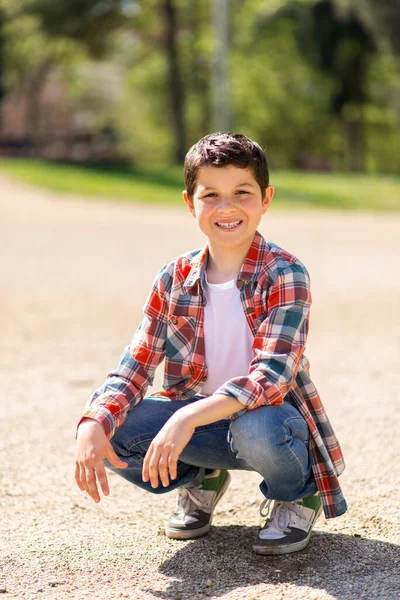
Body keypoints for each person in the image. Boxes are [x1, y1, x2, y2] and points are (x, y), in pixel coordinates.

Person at [75, 132, 347, 556]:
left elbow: (270, 377)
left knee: (255, 425)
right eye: (211, 195)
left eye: (242, 192)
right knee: (115, 429)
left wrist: (186, 421)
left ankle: (296, 494)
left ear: (266, 198)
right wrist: (94, 421)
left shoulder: (284, 272)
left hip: (268, 424)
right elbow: (136, 364)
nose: (227, 208)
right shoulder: (173, 278)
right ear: (190, 203)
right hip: (202, 420)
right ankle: (202, 477)